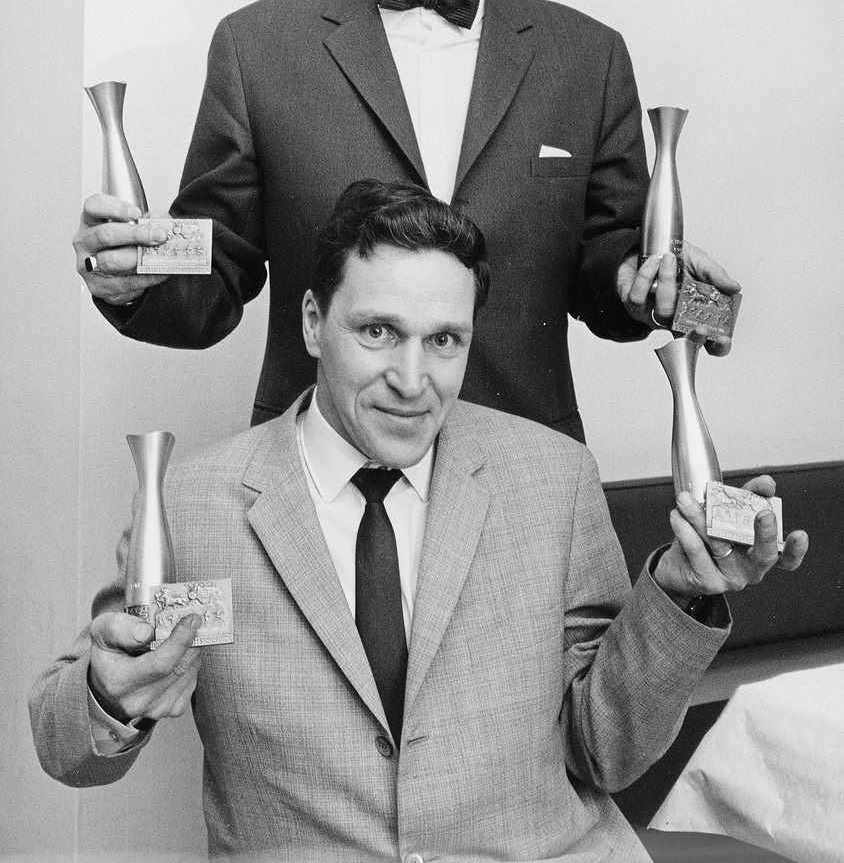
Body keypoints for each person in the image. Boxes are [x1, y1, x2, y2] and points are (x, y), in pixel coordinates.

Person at [37, 181, 803, 862]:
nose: (412, 381)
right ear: (313, 323)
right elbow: (64, 745)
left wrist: (681, 593)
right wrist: (110, 693)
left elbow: (606, 751)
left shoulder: (555, 478)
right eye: (378, 332)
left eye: (443, 341)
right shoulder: (193, 501)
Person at [73, 0, 739, 441]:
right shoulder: (258, 47)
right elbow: (212, 279)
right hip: (316, 472)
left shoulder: (588, 58)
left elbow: (612, 276)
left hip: (526, 471)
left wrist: (664, 289)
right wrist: (131, 276)